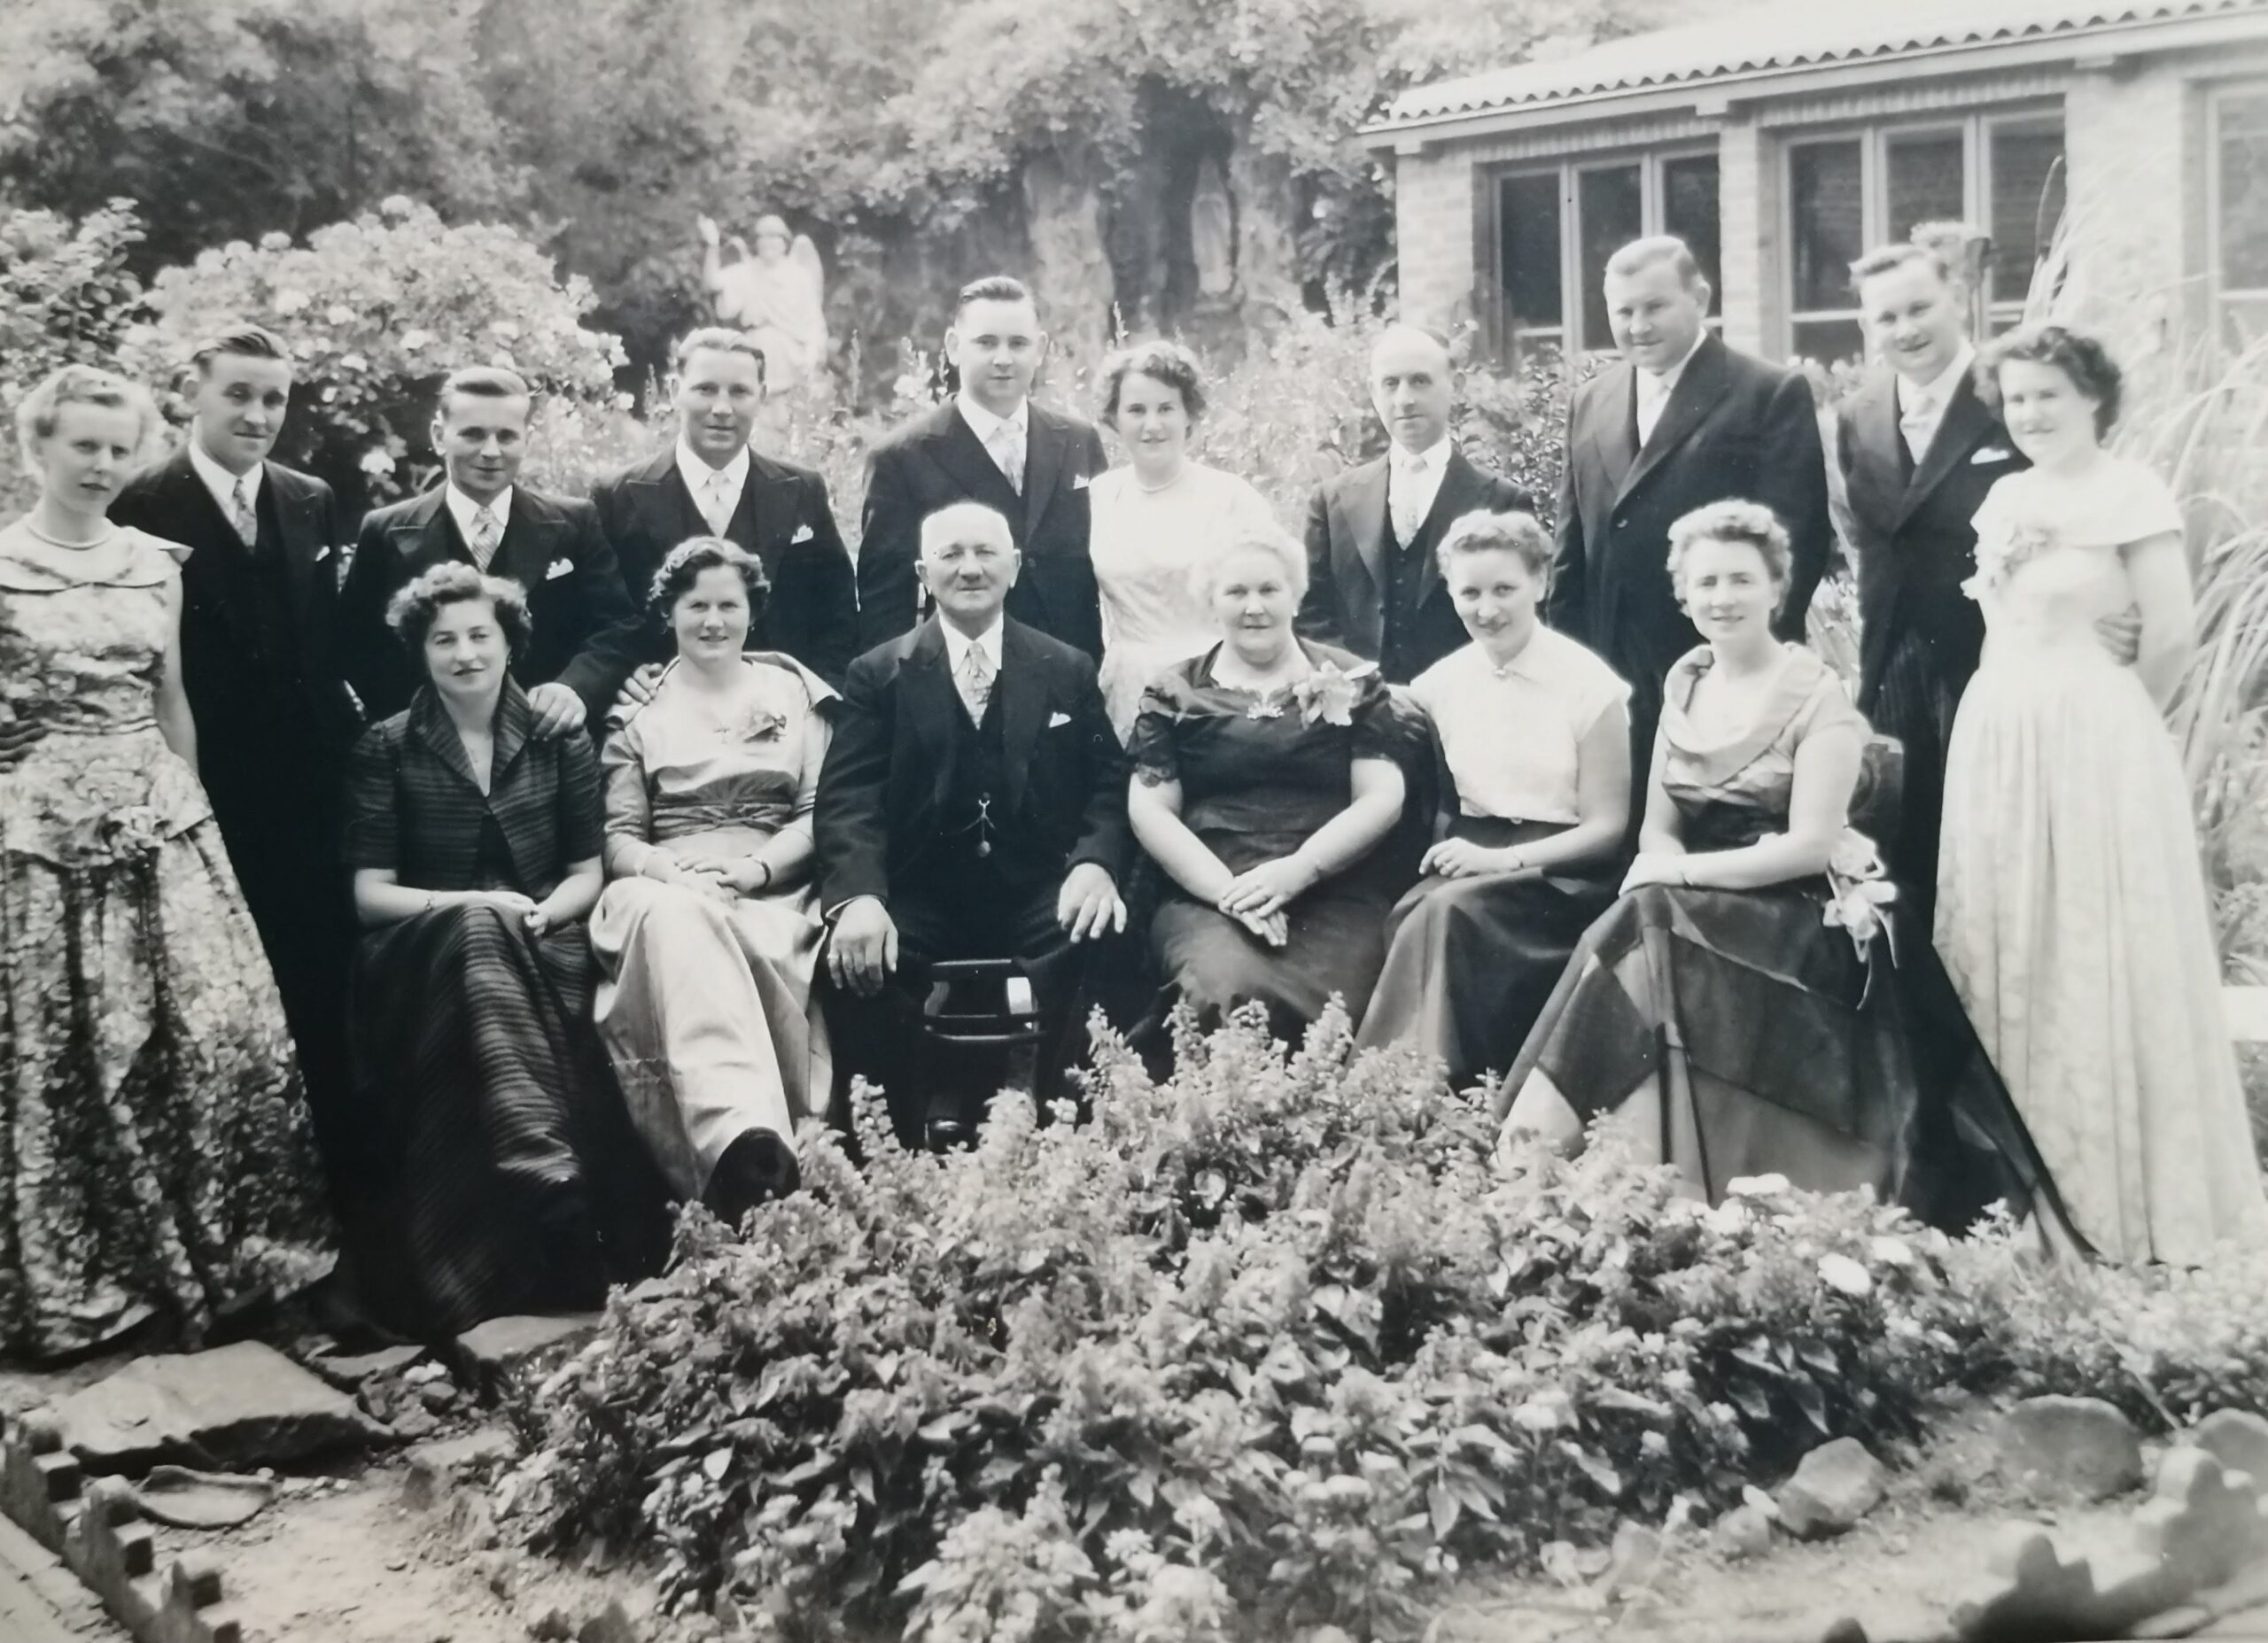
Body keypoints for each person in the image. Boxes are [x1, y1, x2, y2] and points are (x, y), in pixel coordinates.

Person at [1495, 501, 2072, 1238]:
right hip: (1700, 904)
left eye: (1741, 579)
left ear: (1776, 588)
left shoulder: (1815, 695)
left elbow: (1807, 845)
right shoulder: (1685, 687)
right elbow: (1659, 829)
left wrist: (1682, 881)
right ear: (1683, 596)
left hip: (1801, 907)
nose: (1722, 597)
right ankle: (1596, 1168)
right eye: (1706, 582)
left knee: (1647, 917)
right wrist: (1671, 873)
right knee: (1646, 921)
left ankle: (1550, 1148)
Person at [0, 365, 331, 1360]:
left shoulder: (155, 562)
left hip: (160, 820)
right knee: (67, 1057)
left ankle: (222, 1257)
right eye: (82, 445)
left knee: (210, 1035)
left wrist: (187, 808)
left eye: (118, 448)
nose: (101, 465)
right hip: (41, 837)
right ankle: (89, 1277)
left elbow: (169, 696)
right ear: (36, 447)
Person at [1937, 326, 2268, 1263]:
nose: (2031, 413)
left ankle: (2119, 1199)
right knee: (2011, 940)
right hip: (2000, 735)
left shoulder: (2131, 493)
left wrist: (2111, 723)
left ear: (2092, 397)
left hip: (2095, 740)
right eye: (2016, 399)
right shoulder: (2005, 496)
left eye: (2049, 393)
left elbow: (2170, 635)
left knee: (2095, 939)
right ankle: (2017, 1193)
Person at [109, 322, 363, 1193]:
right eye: (239, 395)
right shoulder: (140, 502)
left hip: (311, 787)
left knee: (322, 979)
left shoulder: (308, 498)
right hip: (206, 783)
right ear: (195, 393)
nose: (258, 415)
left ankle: (339, 1187)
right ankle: (237, 1183)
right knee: (218, 988)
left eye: (274, 399)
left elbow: (323, 644)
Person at [344, 563, 622, 1337]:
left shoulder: (559, 736)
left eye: (479, 635)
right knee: (474, 935)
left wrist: (539, 914)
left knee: (490, 947)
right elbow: (369, 895)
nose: (465, 654)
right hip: (419, 952)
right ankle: (547, 1179)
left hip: (545, 939)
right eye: (444, 640)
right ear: (419, 650)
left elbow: (586, 873)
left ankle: (542, 1196)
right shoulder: (386, 745)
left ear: (509, 643)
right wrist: (473, 904)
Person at [817, 502, 1129, 1150]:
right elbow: (849, 797)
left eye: (986, 553)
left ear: (1013, 567)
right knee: (856, 958)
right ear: (922, 573)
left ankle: (1069, 1129)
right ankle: (892, 1146)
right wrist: (861, 896)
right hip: (920, 891)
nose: (969, 568)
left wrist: (1095, 863)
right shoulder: (878, 673)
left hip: (1036, 887)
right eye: (951, 554)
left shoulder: (1066, 667)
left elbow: (1108, 782)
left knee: (1103, 935)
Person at [1547, 236, 1832, 824]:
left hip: (1715, 659)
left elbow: (1794, 545)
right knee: (1615, 822)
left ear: (1699, 299)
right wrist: (1569, 658)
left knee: (1708, 826)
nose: (1638, 326)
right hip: (1610, 658)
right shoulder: (1591, 399)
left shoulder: (1766, 393)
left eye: (1655, 306)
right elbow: (1572, 543)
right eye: (1623, 311)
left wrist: (1746, 666)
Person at [589, 539, 834, 1223]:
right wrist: (673, 874)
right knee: (679, 921)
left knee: (742, 930)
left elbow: (819, 810)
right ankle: (745, 1144)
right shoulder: (639, 709)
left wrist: (756, 868)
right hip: (660, 883)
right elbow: (617, 836)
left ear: (754, 610)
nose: (714, 620)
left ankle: (755, 1153)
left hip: (773, 883)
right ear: (669, 612)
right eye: (696, 605)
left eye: (730, 604)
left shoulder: (795, 693)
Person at [1355, 511, 1631, 1087]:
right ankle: (1403, 1090)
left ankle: (1407, 1089)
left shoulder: (1589, 685)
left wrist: (1505, 860)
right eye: (1470, 593)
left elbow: (1608, 826)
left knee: (1447, 914)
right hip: (1474, 851)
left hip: (1563, 871)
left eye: (1505, 589)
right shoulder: (1441, 683)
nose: (1487, 610)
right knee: (1413, 913)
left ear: (1541, 583)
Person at [1128, 525, 1407, 1042]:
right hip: (1211, 891)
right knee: (1225, 987)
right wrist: (1228, 894)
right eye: (1236, 592)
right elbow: (1150, 810)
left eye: (1269, 590)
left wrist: (1299, 870)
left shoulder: (1351, 679)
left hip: (1332, 885)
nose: (1253, 607)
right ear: (1212, 601)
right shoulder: (1175, 692)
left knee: (1346, 1001)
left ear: (1295, 596)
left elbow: (1382, 795)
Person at [1837, 244, 2023, 921]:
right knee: (1902, 846)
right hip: (1894, 660)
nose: (1906, 329)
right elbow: (1869, 543)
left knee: (1992, 843)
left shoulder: (2012, 396)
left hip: (1990, 657)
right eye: (1887, 318)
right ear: (1868, 326)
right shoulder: (1859, 414)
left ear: (1960, 301)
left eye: (1920, 308)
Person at [340, 366, 643, 732]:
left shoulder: (575, 523)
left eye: (507, 436)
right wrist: (419, 721)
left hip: (548, 738)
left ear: (526, 440)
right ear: (439, 436)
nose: (491, 451)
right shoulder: (386, 530)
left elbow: (617, 627)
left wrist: (573, 690)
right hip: (425, 744)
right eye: (473, 434)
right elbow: (356, 645)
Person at [856, 277, 1111, 659]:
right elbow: (885, 611)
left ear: (1040, 349)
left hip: (1075, 671)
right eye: (986, 343)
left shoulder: (1079, 440)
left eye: (1018, 343)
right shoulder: (901, 458)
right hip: (963, 674)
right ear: (953, 347)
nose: (1003, 359)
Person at [589, 328, 858, 686]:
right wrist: (623, 678)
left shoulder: (803, 490)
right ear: (675, 391)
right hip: (660, 705)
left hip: (782, 706)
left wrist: (813, 696)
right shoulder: (617, 495)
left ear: (762, 397)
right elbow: (601, 618)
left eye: (739, 392)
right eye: (706, 389)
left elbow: (838, 616)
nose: (722, 409)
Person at [1295, 323, 1533, 684]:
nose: (1404, 399)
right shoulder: (1332, 502)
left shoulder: (1502, 501)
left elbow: (1518, 620)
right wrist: (1355, 685)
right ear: (1373, 392)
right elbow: (1312, 615)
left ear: (1456, 386)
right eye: (1390, 384)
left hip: (1463, 700)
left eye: (1420, 381)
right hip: (1357, 704)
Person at [1089, 339, 1280, 733]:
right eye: (1136, 410)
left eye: (1166, 408)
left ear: (1189, 414)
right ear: (1114, 418)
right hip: (1128, 687)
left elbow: (1276, 596)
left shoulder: (1231, 498)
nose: (1152, 425)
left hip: (1213, 685)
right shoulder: (1098, 498)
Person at [699, 213, 828, 395]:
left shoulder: (799, 276)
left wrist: (812, 353)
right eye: (763, 238)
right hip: (758, 349)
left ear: (784, 243)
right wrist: (713, 245)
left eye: (774, 237)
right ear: (756, 243)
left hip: (793, 355)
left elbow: (813, 320)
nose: (768, 243)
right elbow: (712, 283)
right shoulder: (747, 271)